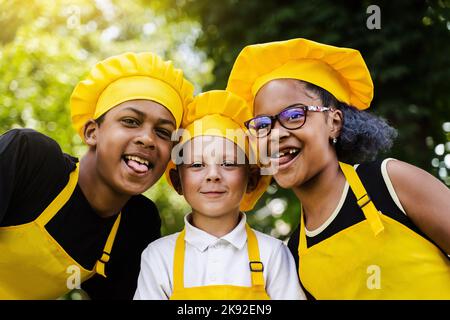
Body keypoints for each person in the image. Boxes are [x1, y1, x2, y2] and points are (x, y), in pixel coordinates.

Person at [226, 38, 450, 299]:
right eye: (263, 125)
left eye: (294, 115)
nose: (276, 134)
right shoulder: (295, 252)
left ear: (333, 122)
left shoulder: (390, 182)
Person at [0, 52, 194, 299]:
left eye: (163, 132)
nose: (147, 139)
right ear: (92, 132)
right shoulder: (30, 158)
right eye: (131, 121)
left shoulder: (136, 224)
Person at [134, 90, 306, 300]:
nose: (213, 175)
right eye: (197, 165)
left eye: (229, 164)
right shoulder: (158, 256)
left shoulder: (273, 254)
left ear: (251, 179)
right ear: (178, 181)